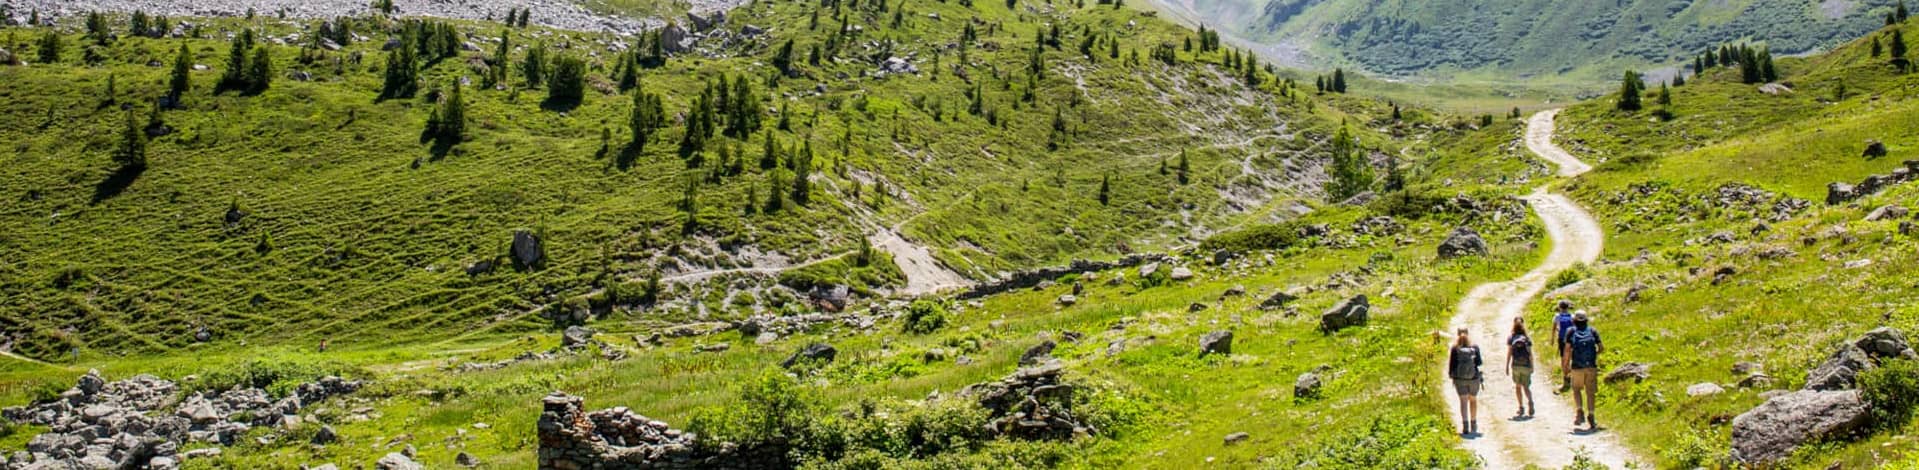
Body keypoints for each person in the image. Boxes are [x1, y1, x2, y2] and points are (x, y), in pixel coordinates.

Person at [1562, 312, 1604, 431]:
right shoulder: (1592, 331)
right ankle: (1591, 415)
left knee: (1576, 389)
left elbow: (1567, 350)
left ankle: (1580, 410)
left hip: (1577, 366)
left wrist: (1566, 365)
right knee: (1590, 392)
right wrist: (1594, 355)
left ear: (1574, 320)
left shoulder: (1571, 331)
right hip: (1591, 366)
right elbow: (1601, 348)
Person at [1448, 328, 1484, 435]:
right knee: (1473, 400)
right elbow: (1479, 363)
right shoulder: (1475, 347)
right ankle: (1473, 423)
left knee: (1463, 401)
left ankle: (1465, 425)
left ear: (1457, 334)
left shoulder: (1455, 349)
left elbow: (1452, 365)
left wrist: (1452, 376)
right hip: (1473, 378)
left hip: (1460, 379)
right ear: (1468, 334)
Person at [1506, 317, 1537, 418]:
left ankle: (1521, 407)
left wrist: (1507, 365)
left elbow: (1509, 353)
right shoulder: (1526, 338)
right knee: (1526, 386)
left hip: (1516, 365)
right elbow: (1530, 354)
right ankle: (1530, 401)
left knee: (1518, 386)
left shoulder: (1511, 337)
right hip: (1526, 365)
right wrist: (1532, 366)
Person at [1550, 300, 1576, 393]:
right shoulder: (1572, 316)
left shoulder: (1557, 316)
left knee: (1563, 359)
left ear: (1559, 307)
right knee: (1571, 358)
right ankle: (1572, 376)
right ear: (1568, 307)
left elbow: (1553, 329)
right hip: (1571, 340)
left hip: (1562, 340)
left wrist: (1552, 339)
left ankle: (1566, 379)